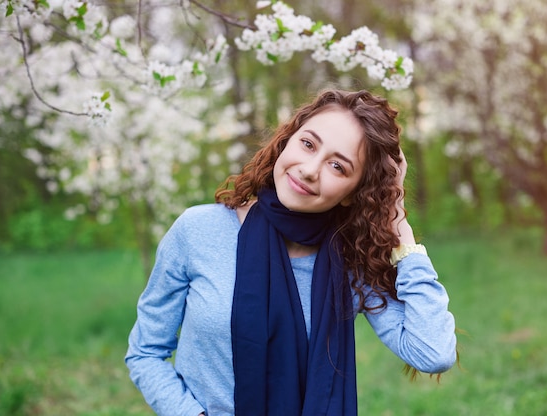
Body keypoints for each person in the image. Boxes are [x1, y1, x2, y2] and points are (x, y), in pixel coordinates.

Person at [125, 88, 457, 416]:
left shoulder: (349, 265)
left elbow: (433, 352)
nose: (310, 169)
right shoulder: (198, 231)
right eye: (308, 144)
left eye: (338, 167)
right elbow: (145, 353)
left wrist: (399, 223)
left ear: (351, 194)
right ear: (287, 141)